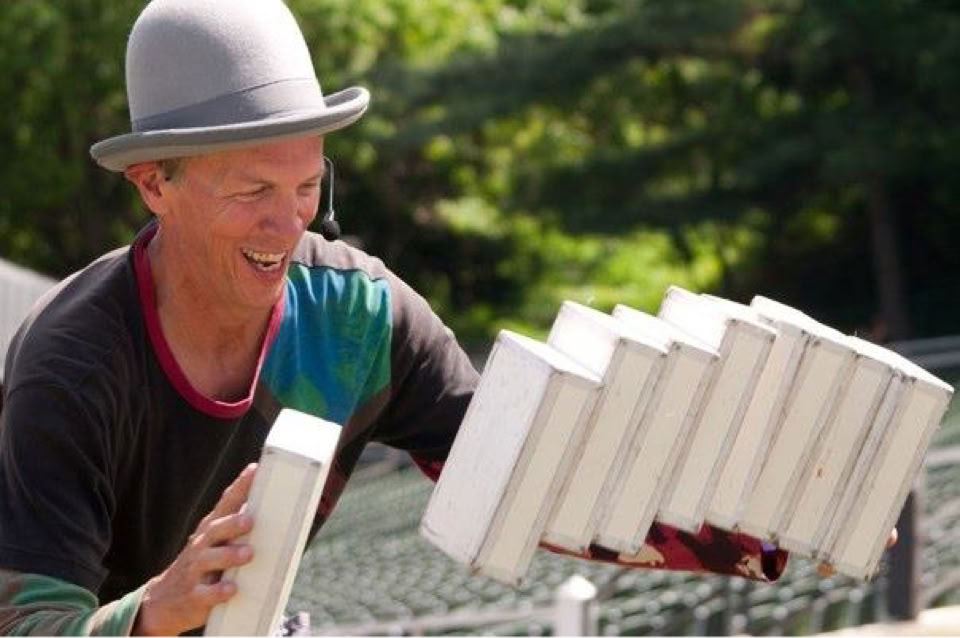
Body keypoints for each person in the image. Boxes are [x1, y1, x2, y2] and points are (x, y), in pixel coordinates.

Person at [4, 0, 902, 634]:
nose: (292, 223)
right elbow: (30, 621)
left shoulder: (358, 313)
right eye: (253, 192)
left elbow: (520, 481)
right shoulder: (73, 363)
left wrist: (758, 534)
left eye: (309, 185)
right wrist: (155, 614)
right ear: (154, 183)